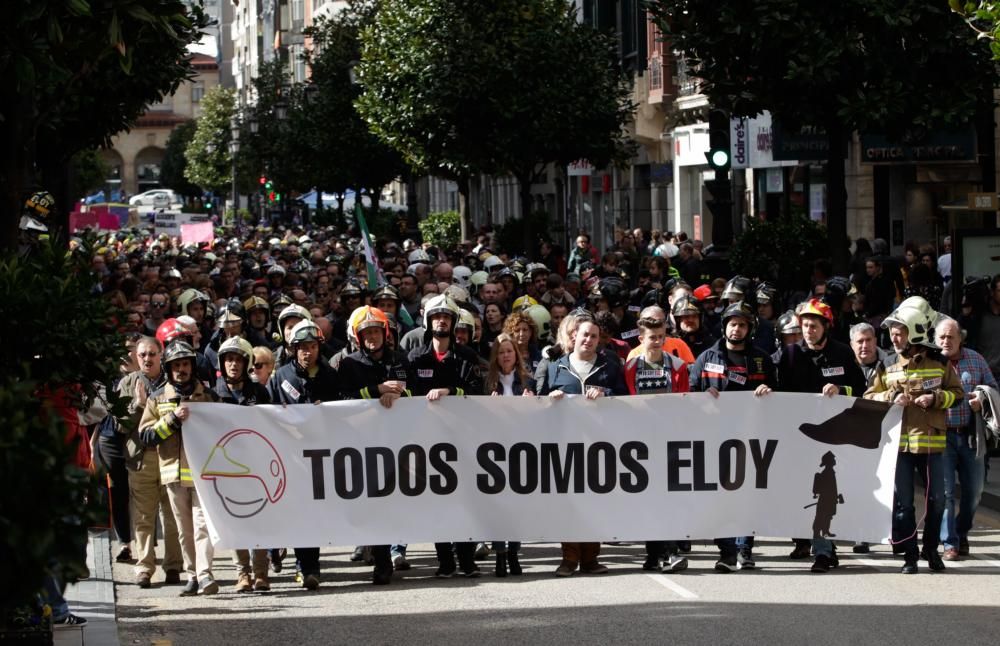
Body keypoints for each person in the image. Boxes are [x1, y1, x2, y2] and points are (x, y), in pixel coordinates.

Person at [864, 297, 963, 574]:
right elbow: (870, 395)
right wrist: (890, 395)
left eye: (899, 331)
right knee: (904, 505)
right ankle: (909, 554)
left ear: (915, 331)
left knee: (937, 501)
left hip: (932, 445)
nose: (894, 337)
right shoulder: (888, 365)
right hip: (900, 448)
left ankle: (931, 550)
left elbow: (957, 394)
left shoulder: (940, 363)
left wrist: (935, 398)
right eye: (892, 332)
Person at [778, 299, 866, 572]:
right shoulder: (790, 354)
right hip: (799, 434)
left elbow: (861, 390)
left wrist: (841, 390)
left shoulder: (842, 353)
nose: (808, 330)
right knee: (798, 491)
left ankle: (823, 551)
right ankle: (804, 540)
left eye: (813, 325)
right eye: (804, 325)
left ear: (826, 326)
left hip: (833, 435)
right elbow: (778, 390)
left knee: (824, 494)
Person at [689, 302, 776, 571]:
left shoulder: (762, 358)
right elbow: (690, 395)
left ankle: (744, 549)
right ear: (725, 326)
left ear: (749, 329)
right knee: (720, 495)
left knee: (747, 493)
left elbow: (780, 397)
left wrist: (767, 391)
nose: (736, 329)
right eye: (732, 324)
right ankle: (726, 551)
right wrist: (703, 399)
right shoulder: (706, 358)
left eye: (742, 325)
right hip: (715, 438)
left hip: (752, 437)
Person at [537, 316, 627, 577]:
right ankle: (568, 558)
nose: (588, 340)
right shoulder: (556, 367)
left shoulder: (609, 366)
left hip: (600, 444)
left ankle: (590, 558)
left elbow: (624, 398)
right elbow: (538, 401)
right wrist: (550, 398)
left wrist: (606, 395)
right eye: (584, 334)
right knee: (569, 502)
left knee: (594, 500)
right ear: (574, 335)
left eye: (594, 336)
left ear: (600, 341)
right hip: (565, 445)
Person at [407, 294, 484, 577]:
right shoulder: (414, 358)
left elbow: (478, 394)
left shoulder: (467, 357)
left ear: (453, 323)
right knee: (437, 502)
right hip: (427, 442)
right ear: (428, 322)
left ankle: (467, 560)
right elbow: (407, 395)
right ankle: (445, 562)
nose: (441, 321)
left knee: (466, 501)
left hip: (462, 441)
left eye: (447, 317)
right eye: (436, 317)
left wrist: (450, 393)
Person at [138, 341, 220, 596]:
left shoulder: (208, 396)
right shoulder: (157, 398)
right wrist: (173, 419)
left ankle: (206, 575)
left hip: (202, 474)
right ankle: (192, 575)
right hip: (173, 474)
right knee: (184, 531)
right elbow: (147, 436)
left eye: (185, 364)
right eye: (176, 365)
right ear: (168, 368)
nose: (181, 369)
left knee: (202, 525)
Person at [337, 306, 410, 583]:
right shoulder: (349, 364)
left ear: (385, 333)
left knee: (392, 502)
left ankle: (388, 556)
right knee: (371, 502)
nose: (372, 337)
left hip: (397, 442)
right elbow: (342, 398)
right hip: (361, 443)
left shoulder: (401, 361)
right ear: (358, 336)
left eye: (376, 331)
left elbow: (413, 390)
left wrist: (400, 395)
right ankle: (377, 556)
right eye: (367, 332)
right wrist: (376, 391)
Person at [269, 319, 341, 589]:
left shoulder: (331, 376)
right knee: (295, 512)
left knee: (313, 513)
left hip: (322, 456)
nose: (307, 352)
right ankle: (294, 560)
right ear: (293, 349)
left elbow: (345, 408)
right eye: (302, 347)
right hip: (290, 457)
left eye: (312, 346)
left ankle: (311, 567)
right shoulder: (281, 377)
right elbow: (266, 411)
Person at [624, 315, 690, 573]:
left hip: (670, 441)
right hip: (640, 444)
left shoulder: (678, 367)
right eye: (652, 337)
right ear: (641, 339)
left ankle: (671, 552)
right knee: (650, 499)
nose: (657, 342)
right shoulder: (629, 367)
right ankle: (653, 555)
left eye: (661, 337)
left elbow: (685, 402)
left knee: (669, 498)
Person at [117, 336, 183, 589]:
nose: (147, 359)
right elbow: (119, 425)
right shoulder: (127, 383)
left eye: (152, 354)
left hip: (169, 457)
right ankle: (144, 567)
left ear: (161, 354)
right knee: (144, 517)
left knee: (172, 515)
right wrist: (138, 405)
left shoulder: (173, 382)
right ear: (136, 356)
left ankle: (174, 566)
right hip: (140, 459)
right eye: (142, 354)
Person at [934, 316, 997, 561]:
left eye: (951, 336)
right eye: (942, 337)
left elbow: (993, 387)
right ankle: (950, 542)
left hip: (971, 436)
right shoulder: (931, 362)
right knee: (947, 493)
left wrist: (981, 400)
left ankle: (960, 532)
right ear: (935, 339)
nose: (946, 341)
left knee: (975, 492)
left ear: (961, 338)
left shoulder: (976, 359)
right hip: (942, 436)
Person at [214, 337, 273, 592]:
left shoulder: (259, 391)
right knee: (235, 520)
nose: (233, 364)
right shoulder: (213, 393)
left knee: (259, 520)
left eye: (238, 359)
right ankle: (242, 575)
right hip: (228, 469)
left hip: (256, 467)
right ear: (222, 362)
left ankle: (261, 573)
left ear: (246, 362)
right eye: (229, 359)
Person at [483, 333, 535, 576]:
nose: (506, 355)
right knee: (496, 507)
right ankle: (500, 555)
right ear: (496, 356)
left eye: (510, 351)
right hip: (493, 454)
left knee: (518, 507)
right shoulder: (486, 383)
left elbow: (539, 416)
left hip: (520, 451)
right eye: (501, 351)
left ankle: (514, 554)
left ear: (516, 354)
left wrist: (533, 404)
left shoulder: (527, 381)